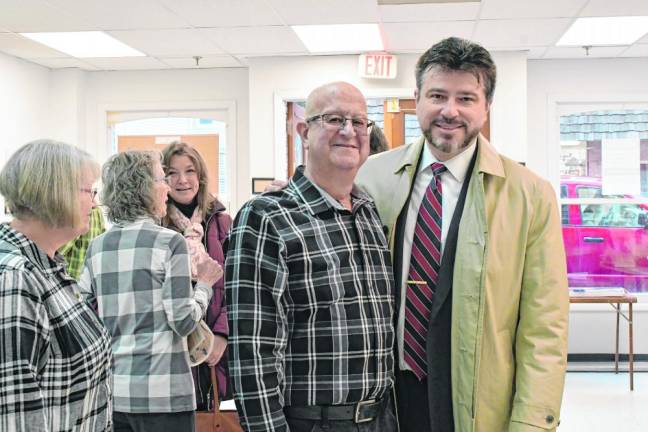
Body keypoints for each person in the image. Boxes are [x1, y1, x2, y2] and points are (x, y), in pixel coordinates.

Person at [356, 37, 569, 431]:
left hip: (479, 403)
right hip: (386, 400)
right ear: (416, 97)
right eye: (437, 95)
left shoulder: (529, 195)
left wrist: (533, 422)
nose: (449, 111)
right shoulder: (371, 179)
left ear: (486, 107)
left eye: (466, 98)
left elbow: (545, 328)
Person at [226, 82, 397, 432]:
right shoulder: (266, 217)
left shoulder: (368, 213)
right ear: (304, 131)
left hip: (382, 418)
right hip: (312, 423)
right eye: (334, 119)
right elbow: (252, 352)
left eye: (360, 122)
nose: (349, 131)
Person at [79, 150, 222, 432]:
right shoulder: (170, 244)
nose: (167, 187)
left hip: (115, 395)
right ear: (143, 188)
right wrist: (205, 285)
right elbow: (182, 321)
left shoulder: (98, 246)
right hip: (165, 397)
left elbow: (83, 318)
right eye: (161, 178)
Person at [0, 139, 112, 431]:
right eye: (89, 191)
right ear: (55, 193)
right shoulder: (15, 278)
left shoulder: (47, 265)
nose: (95, 202)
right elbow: (16, 418)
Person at [161, 141, 232, 405]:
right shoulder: (156, 226)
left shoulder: (223, 222)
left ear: (200, 176)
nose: (182, 180)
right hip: (172, 347)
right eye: (172, 172)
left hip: (215, 344)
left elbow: (238, 285)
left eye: (189, 171)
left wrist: (223, 335)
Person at [59, 206, 105, 280]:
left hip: (70, 277)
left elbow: (59, 250)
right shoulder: (97, 212)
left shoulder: (77, 212)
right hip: (88, 279)